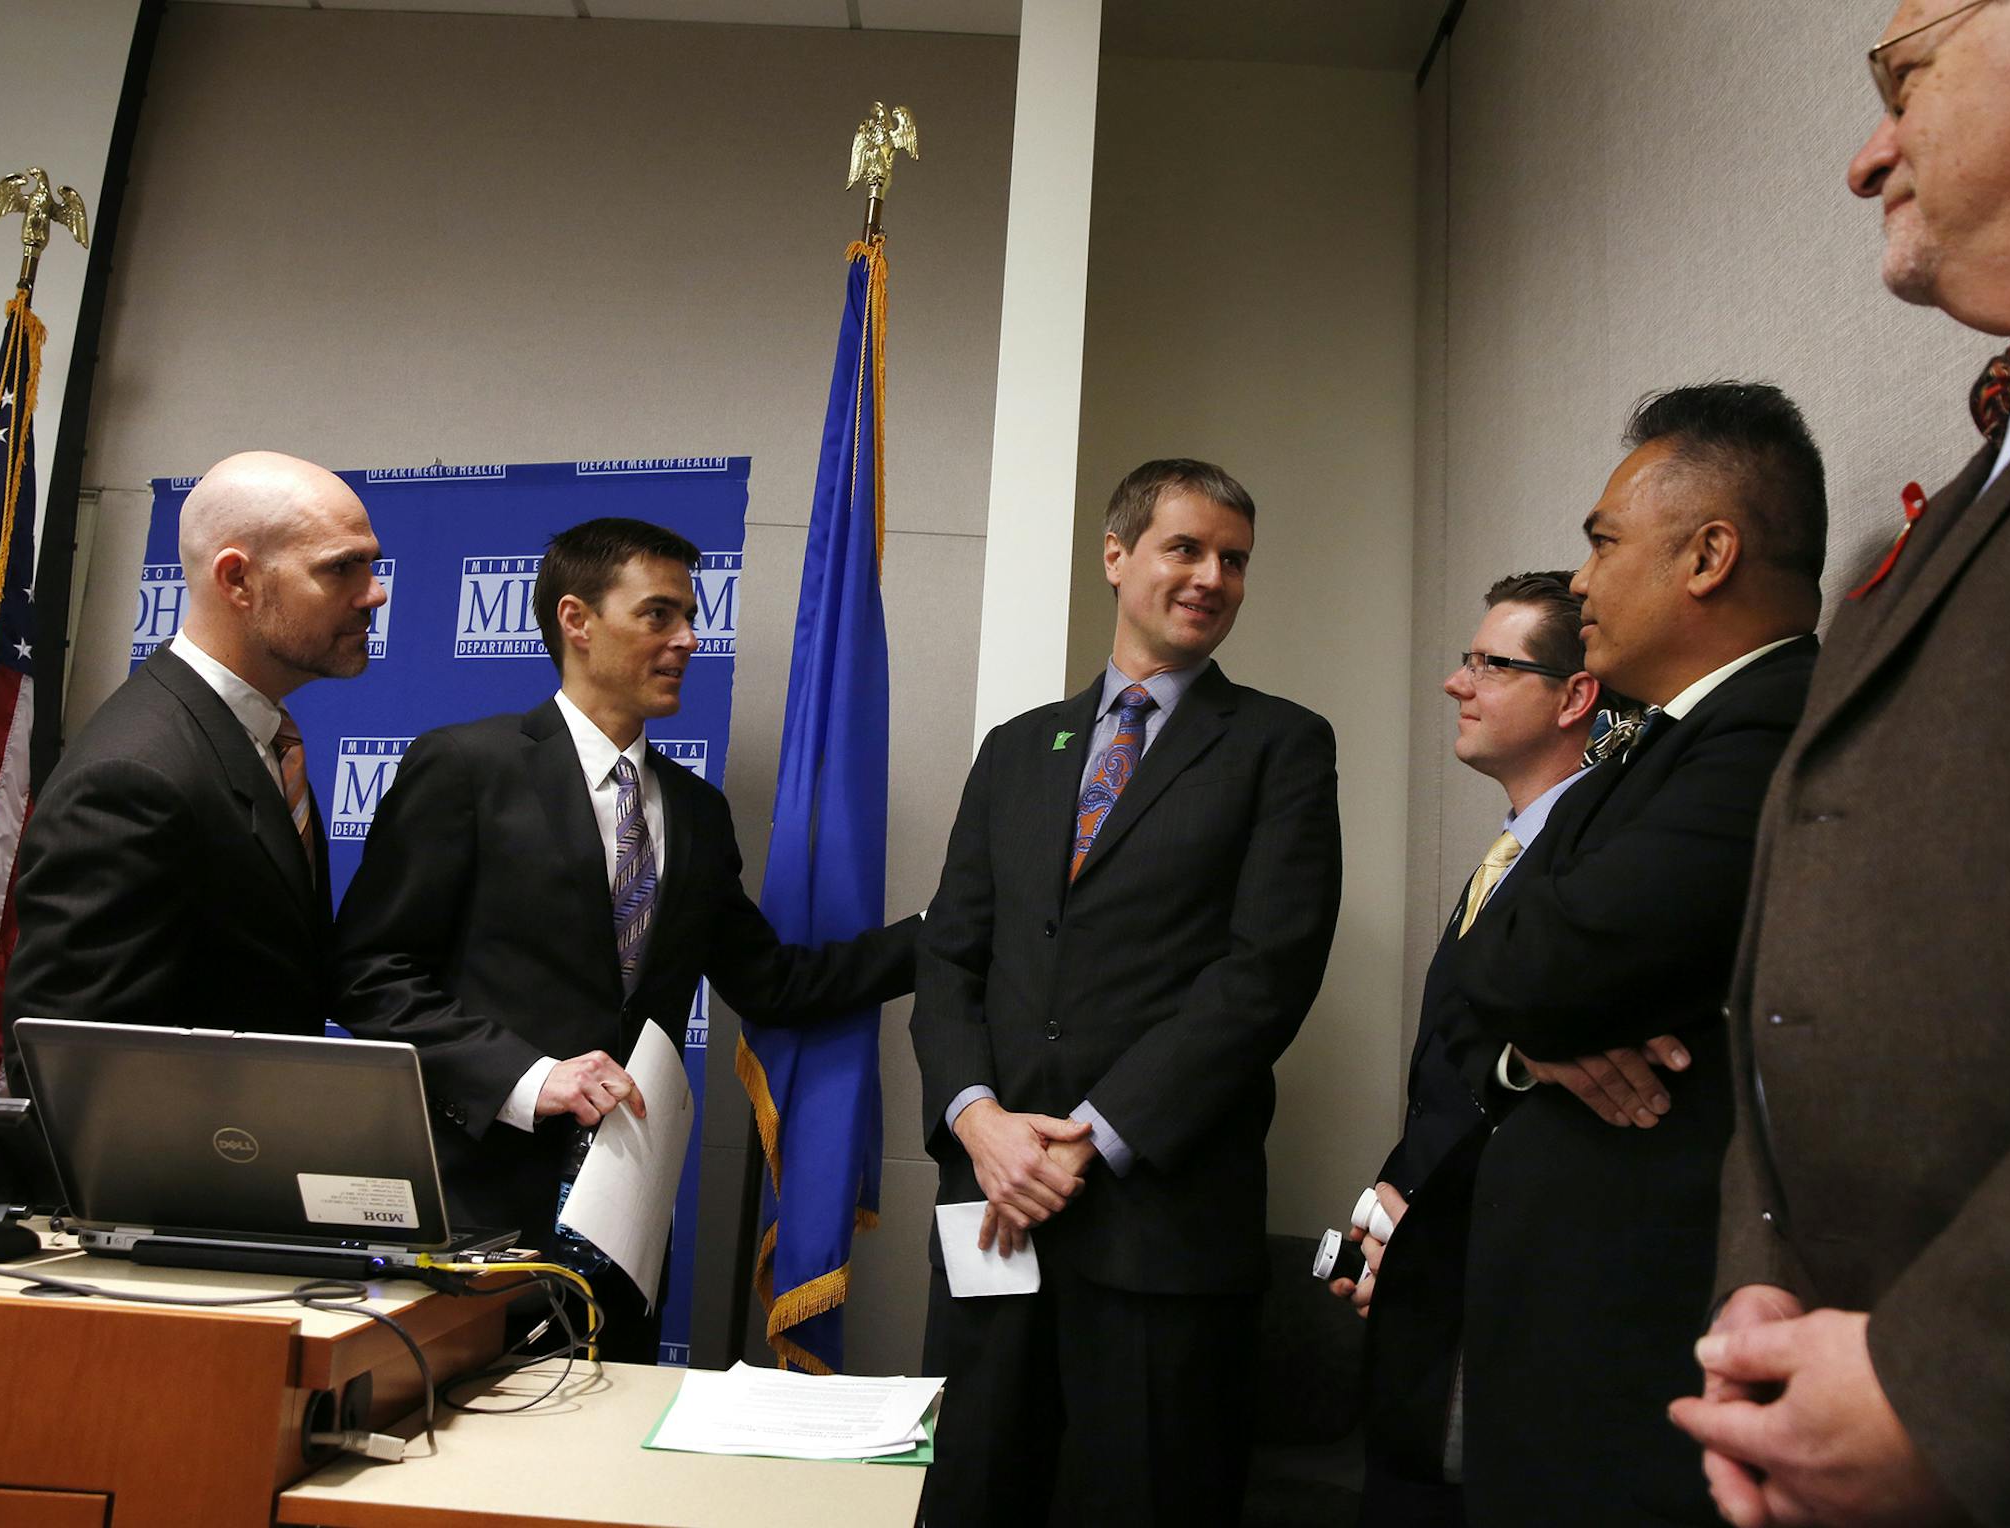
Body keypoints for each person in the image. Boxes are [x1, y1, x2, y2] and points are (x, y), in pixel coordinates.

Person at [1670, 5, 2010, 1525]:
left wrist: (1954, 1377)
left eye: (1901, 76)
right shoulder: (1988, 476)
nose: (1870, 156)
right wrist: (1763, 1294)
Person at [333, 516, 918, 1362]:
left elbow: (773, 983)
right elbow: (369, 977)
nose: (689, 638)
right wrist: (534, 1080)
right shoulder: (466, 767)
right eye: (659, 615)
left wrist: (944, 936)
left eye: (690, 615)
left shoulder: (696, 813)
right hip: (471, 1215)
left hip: (626, 1230)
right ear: (577, 620)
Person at [910, 458, 1343, 1527]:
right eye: (1185, 548)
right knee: (972, 1496)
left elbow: (1264, 976)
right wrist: (981, 1123)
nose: (1211, 577)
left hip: (1161, 1230)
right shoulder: (1017, 751)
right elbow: (949, 960)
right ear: (1117, 557)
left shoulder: (1281, 746)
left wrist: (1087, 1138)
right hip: (995, 1214)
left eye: (1233, 560)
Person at [1450, 384, 1824, 1524]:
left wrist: (1526, 1005)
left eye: (1604, 544)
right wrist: (1529, 1049)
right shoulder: (1649, 743)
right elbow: (1493, 968)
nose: (1580, 580)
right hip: (1569, 1328)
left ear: (1709, 554)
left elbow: (1532, 963)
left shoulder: (1775, 723)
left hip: (1640, 1332)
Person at [1339, 571, 1622, 1527]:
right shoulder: (1509, 850)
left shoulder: (1596, 858)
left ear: (1574, 696)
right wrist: (1387, 1210)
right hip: (1431, 1269)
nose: (1458, 684)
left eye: (1490, 664)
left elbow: (1518, 1080)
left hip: (1510, 1295)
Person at [8, 451, 385, 1046]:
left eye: (372, 563)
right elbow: (70, 1066)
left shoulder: (261, 737)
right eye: (342, 568)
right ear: (237, 579)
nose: (375, 594)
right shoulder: (131, 778)